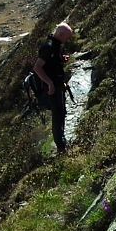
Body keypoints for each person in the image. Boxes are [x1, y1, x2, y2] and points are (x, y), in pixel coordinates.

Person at [33, 22, 73, 154]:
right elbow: (37, 67)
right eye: (67, 37)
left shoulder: (55, 45)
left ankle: (62, 141)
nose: (68, 40)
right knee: (57, 114)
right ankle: (61, 146)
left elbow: (51, 62)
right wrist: (49, 83)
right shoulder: (49, 47)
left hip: (57, 84)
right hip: (52, 87)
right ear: (60, 34)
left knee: (61, 112)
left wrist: (61, 58)